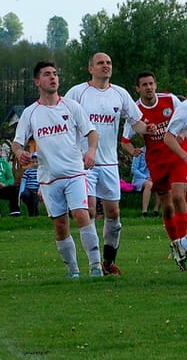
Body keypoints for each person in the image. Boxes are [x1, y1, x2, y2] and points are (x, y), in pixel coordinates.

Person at [12, 61, 103, 278]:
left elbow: (91, 132)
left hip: (74, 172)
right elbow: (17, 142)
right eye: (47, 74)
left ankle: (96, 266)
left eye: (55, 74)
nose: (53, 77)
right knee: (61, 225)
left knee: (82, 215)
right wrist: (18, 152)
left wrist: (90, 151)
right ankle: (72, 271)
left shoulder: (71, 107)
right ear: (37, 81)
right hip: (49, 177)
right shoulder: (31, 113)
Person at [65, 52, 149, 275]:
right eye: (100, 63)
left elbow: (137, 122)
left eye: (109, 63)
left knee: (113, 213)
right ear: (90, 68)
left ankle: (108, 263)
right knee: (90, 210)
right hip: (84, 162)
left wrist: (154, 130)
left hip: (109, 163)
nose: (106, 66)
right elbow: (63, 120)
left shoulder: (120, 93)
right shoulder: (77, 92)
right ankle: (94, 265)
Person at [121, 71, 187, 263]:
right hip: (156, 161)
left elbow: (185, 118)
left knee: (178, 196)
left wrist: (182, 133)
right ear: (138, 88)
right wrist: (132, 150)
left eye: (151, 83)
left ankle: (184, 243)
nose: (149, 87)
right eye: (144, 85)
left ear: (155, 85)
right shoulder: (135, 110)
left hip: (176, 155)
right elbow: (125, 140)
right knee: (166, 206)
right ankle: (174, 242)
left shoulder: (170, 99)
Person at [130, 147, 156, 217]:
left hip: (152, 178)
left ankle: (155, 211)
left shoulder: (156, 152)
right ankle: (144, 212)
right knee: (149, 184)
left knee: (162, 184)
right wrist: (146, 177)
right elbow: (134, 169)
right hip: (140, 179)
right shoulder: (139, 152)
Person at [19, 152, 41, 217]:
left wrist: (40, 190)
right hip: (28, 189)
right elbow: (23, 181)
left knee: (34, 200)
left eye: (36, 162)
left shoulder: (41, 172)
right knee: (25, 195)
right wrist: (21, 191)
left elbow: (41, 182)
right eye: (33, 162)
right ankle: (31, 209)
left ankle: (34, 214)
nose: (35, 164)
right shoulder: (28, 171)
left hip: (36, 189)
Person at [0, 152, 21, 217]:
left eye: (0, 150)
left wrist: (5, 184)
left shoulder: (5, 163)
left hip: (2, 188)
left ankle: (14, 212)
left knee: (14, 189)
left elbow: (11, 179)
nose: (0, 152)